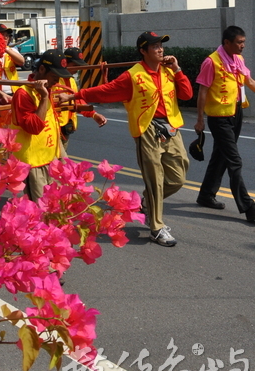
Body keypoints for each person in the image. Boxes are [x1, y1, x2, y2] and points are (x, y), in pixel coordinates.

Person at [76, 31, 192, 247]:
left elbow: (186, 95)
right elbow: (104, 91)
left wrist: (177, 69)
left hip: (172, 128)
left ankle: (147, 201)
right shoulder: (133, 76)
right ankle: (156, 227)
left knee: (177, 178)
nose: (160, 49)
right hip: (147, 130)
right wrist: (77, 95)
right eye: (155, 46)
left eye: (161, 45)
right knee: (155, 180)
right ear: (143, 51)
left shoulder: (168, 71)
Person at [195, 25, 255, 222]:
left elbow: (249, 81)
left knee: (220, 156)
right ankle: (248, 207)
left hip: (235, 112)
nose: (242, 46)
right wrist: (200, 120)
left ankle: (206, 195)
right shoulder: (211, 62)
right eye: (239, 42)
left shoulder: (238, 60)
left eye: (243, 42)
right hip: (219, 118)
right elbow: (202, 92)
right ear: (227, 43)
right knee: (234, 161)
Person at [11, 49, 70, 202]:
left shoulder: (46, 88)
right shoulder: (23, 94)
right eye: (54, 77)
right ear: (42, 69)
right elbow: (34, 128)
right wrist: (44, 98)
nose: (57, 82)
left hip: (49, 159)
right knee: (39, 210)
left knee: (53, 207)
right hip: (33, 164)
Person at [53, 47, 107, 151]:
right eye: (74, 65)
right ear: (65, 63)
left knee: (60, 162)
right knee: (58, 162)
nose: (78, 69)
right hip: (55, 127)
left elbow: (77, 101)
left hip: (66, 128)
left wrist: (94, 114)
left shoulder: (72, 81)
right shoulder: (54, 80)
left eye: (79, 66)